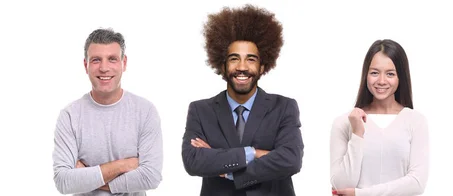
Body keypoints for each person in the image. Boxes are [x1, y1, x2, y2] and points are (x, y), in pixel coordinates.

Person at [181, 4, 304, 196]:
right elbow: (193, 161)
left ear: (262, 67)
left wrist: (227, 169)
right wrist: (253, 153)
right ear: (222, 66)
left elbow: (291, 160)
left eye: (251, 59)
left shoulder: (284, 107)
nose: (242, 67)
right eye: (234, 58)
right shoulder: (201, 110)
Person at [52, 28, 163, 196]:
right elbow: (63, 182)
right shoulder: (70, 116)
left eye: (112, 59)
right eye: (96, 60)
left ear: (124, 63)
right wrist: (123, 165)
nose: (104, 68)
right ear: (85, 65)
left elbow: (150, 177)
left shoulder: (145, 111)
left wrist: (88, 177)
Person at [330, 39, 429, 196]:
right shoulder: (345, 122)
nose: (381, 81)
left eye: (390, 74)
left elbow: (416, 184)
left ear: (400, 77)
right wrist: (357, 134)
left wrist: (360, 194)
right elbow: (340, 185)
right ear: (366, 75)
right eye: (374, 73)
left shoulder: (415, 121)